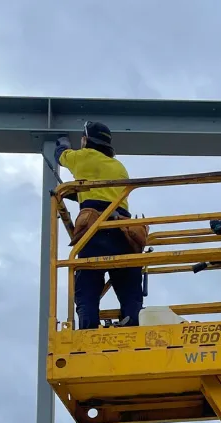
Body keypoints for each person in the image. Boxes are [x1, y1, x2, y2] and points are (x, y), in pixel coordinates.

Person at [55, 121, 144, 329]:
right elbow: (104, 192)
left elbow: (60, 154)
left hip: (95, 229)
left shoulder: (83, 157)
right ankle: (132, 320)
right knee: (128, 282)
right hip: (124, 229)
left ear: (86, 140)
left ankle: (88, 326)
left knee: (87, 280)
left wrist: (61, 141)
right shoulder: (118, 166)